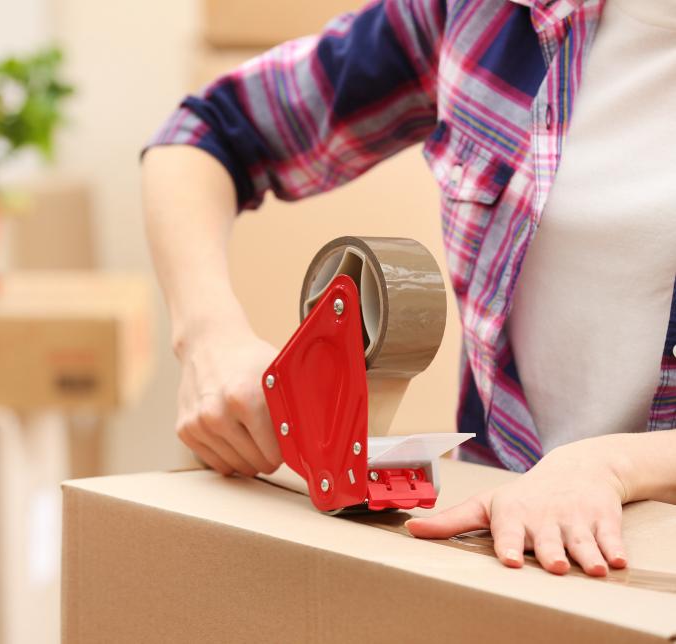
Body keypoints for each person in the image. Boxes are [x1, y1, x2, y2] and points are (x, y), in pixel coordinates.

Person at [141, 0, 676, 578]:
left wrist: (614, 465)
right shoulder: (483, 15)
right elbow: (205, 132)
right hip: (494, 558)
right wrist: (209, 337)